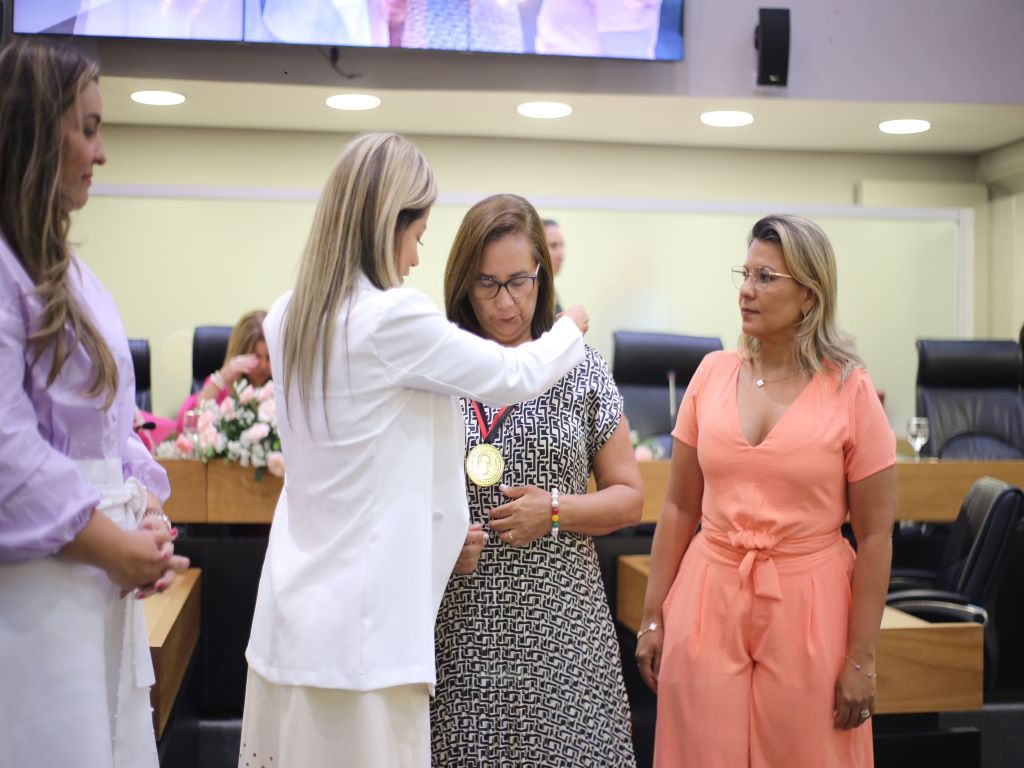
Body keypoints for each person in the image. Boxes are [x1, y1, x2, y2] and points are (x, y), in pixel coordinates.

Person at [240, 135, 590, 767]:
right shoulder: (390, 318)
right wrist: (569, 329)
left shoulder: (287, 316)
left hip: (291, 618)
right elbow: (513, 375)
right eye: (418, 236)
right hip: (367, 632)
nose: (415, 258)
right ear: (386, 224)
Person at [636, 215, 896, 767]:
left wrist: (861, 659)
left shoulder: (850, 389)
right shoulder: (711, 373)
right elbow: (679, 506)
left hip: (809, 604)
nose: (746, 291)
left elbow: (876, 536)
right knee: (701, 752)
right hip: (709, 594)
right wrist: (653, 616)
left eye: (766, 277)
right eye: (745, 273)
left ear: (809, 296)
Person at [0, 40, 189, 767]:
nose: (101, 152)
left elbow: (111, 426)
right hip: (38, 584)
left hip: (95, 572)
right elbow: (9, 450)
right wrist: (112, 544)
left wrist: (146, 505)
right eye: (86, 128)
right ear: (33, 131)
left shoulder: (74, 273)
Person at [431, 193, 642, 765]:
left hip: (562, 626)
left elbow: (629, 499)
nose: (505, 302)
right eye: (487, 283)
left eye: (519, 282)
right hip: (462, 629)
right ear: (463, 283)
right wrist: (439, 537)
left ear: (542, 276)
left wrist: (552, 511)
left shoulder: (579, 365)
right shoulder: (438, 369)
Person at [176, 308, 271, 433]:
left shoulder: (284, 387)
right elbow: (185, 427)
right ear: (241, 353)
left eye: (269, 357)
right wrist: (222, 378)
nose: (263, 366)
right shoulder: (222, 385)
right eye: (256, 357)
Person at [543, 217, 565, 313]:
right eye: (553, 245)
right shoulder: (534, 294)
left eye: (562, 245)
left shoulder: (550, 287)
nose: (561, 255)